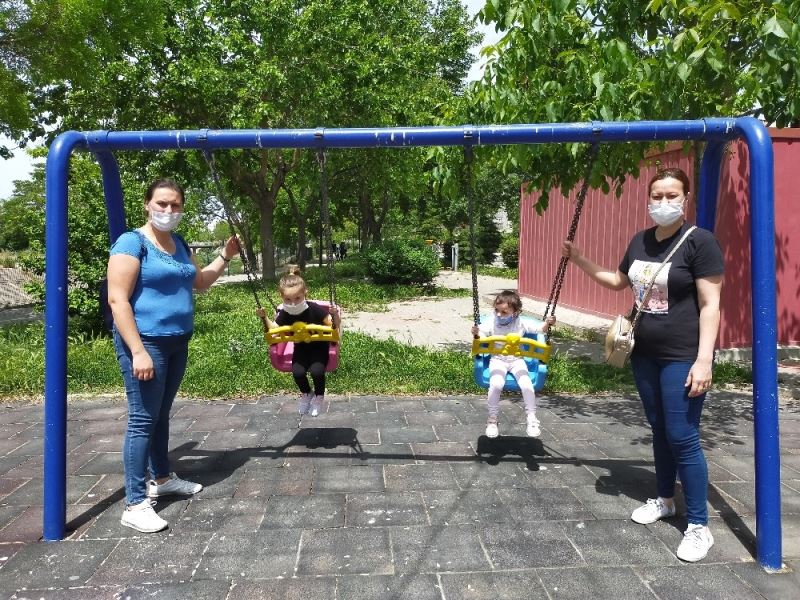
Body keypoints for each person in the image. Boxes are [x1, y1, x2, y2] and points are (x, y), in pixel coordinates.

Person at [561, 167, 724, 562]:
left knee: (682, 435)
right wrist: (579, 259)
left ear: (685, 198)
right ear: (649, 199)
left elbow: (710, 305)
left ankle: (699, 526)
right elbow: (619, 282)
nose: (663, 202)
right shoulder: (640, 240)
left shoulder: (699, 242)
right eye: (657, 196)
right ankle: (665, 499)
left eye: (672, 195)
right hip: (644, 353)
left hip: (683, 354)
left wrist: (704, 360)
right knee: (660, 430)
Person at [107, 178, 239, 533]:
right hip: (146, 342)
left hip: (177, 341)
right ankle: (135, 503)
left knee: (160, 414)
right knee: (142, 419)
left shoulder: (178, 243)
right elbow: (117, 300)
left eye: (175, 205)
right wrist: (138, 351)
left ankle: (162, 479)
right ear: (147, 204)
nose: (168, 210)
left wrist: (225, 255)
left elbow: (200, 282)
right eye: (162, 203)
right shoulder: (132, 242)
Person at [257, 266, 341, 416]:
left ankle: (319, 396)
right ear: (281, 297)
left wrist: (335, 315)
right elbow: (274, 328)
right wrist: (264, 317)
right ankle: (307, 393)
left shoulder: (314, 309)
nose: (293, 303)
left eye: (297, 298)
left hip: (319, 347)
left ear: (305, 293)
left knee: (316, 371)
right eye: (288, 300)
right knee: (297, 372)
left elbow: (332, 325)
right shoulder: (286, 312)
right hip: (300, 347)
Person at [471, 290, 555, 439]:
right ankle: (492, 419)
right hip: (497, 360)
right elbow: (482, 335)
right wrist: (476, 333)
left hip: (517, 360)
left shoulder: (520, 322)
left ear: (515, 312)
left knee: (527, 385)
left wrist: (547, 323)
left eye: (504, 312)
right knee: (496, 384)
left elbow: (539, 329)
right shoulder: (492, 321)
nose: (499, 314)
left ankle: (532, 418)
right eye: (497, 310)